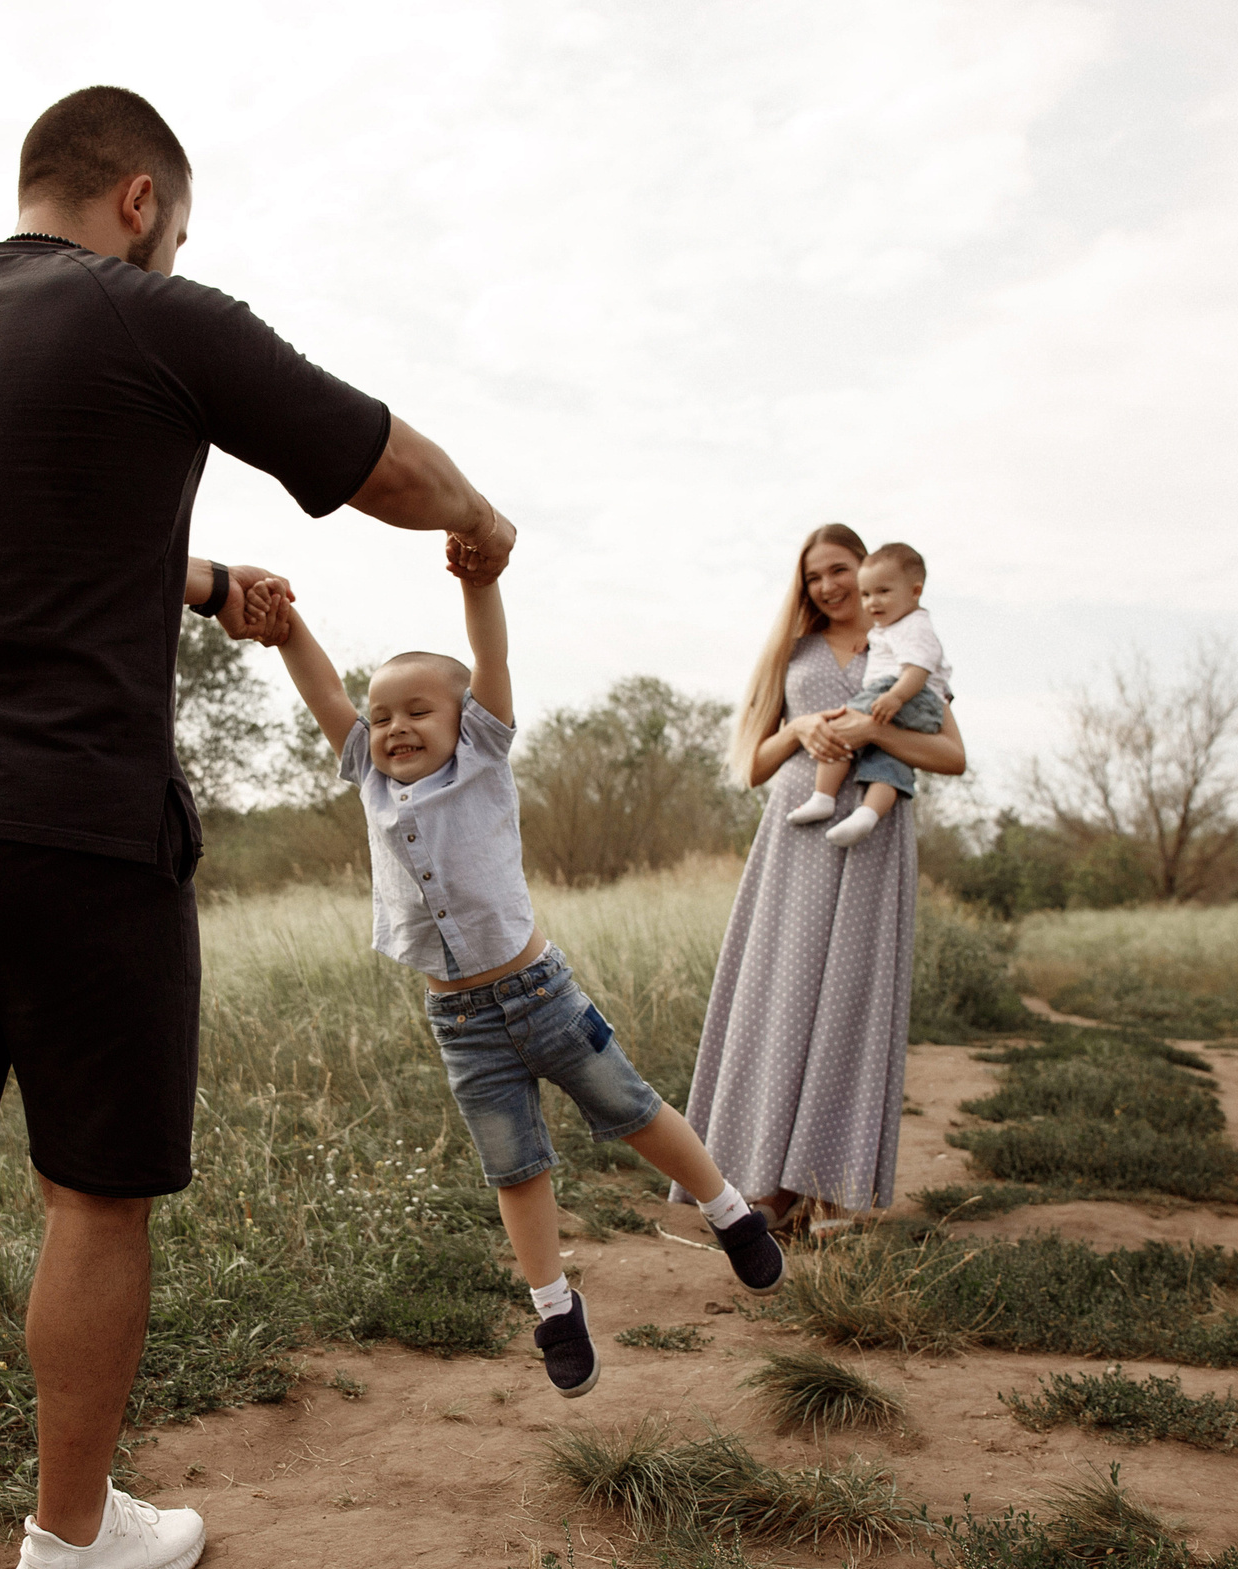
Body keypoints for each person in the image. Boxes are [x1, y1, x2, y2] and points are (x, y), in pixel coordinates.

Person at [0, 86, 519, 1569]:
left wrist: (209, 580)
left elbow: (13, 542)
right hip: (74, 823)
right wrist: (481, 520)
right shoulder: (157, 312)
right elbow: (379, 461)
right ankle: (72, 1544)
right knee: (93, 1187)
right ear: (141, 198)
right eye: (177, 226)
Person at [267, 568, 786, 1399]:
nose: (395, 726)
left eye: (417, 710)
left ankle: (730, 1212)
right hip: (461, 1023)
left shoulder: (483, 754)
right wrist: (286, 626)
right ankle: (554, 1308)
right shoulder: (368, 774)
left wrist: (480, 579)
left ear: (464, 718)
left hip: (543, 995)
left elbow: (490, 653)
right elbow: (324, 690)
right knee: (514, 1166)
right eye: (382, 714)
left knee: (633, 1108)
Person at [678, 524, 968, 1236]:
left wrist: (875, 734)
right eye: (815, 576)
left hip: (874, 838)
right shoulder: (794, 651)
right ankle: (766, 1185)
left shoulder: (906, 646)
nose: (830, 586)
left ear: (868, 572)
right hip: (796, 839)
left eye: (840, 570)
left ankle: (831, 1189)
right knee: (780, 1000)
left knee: (850, 1006)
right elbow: (753, 765)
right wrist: (800, 727)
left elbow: (952, 756)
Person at [781, 542, 951, 848]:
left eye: (883, 592)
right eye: (867, 594)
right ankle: (868, 815)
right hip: (909, 700)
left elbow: (918, 668)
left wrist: (895, 698)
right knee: (890, 765)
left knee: (840, 728)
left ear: (915, 591)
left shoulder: (916, 626)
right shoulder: (888, 630)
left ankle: (823, 796)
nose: (873, 602)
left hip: (901, 693)